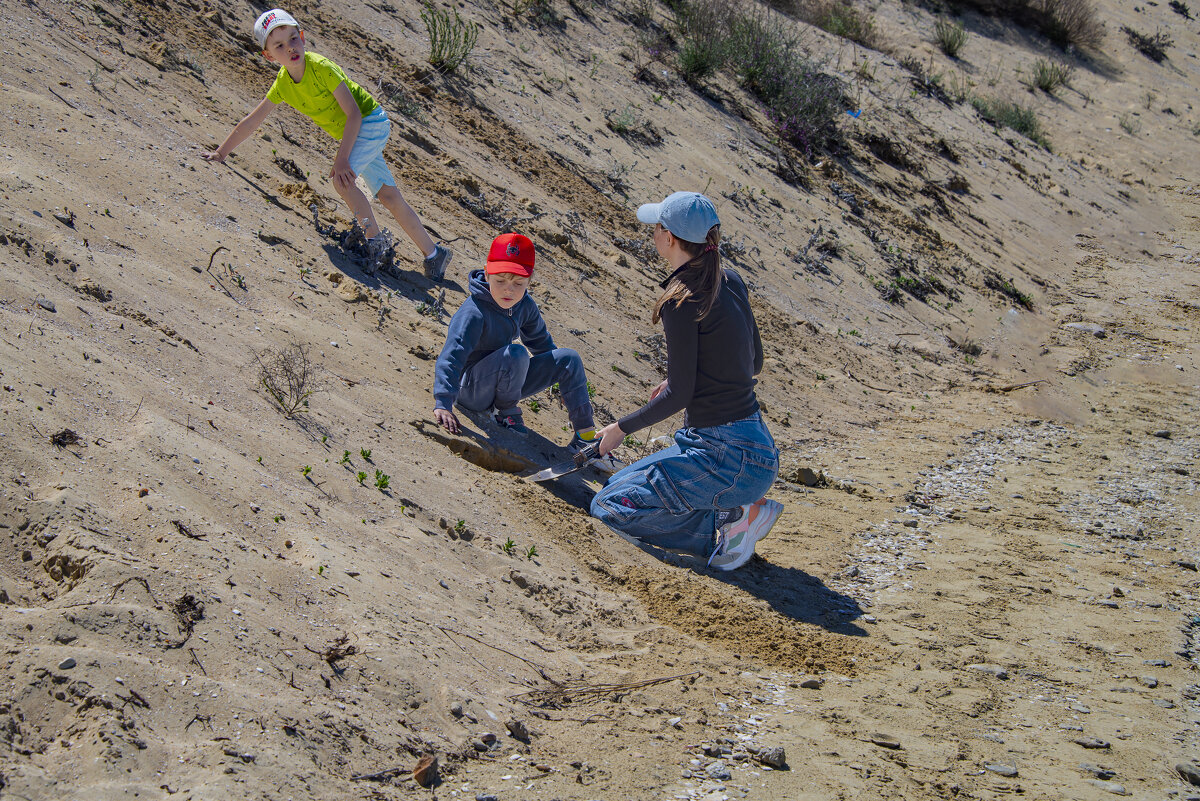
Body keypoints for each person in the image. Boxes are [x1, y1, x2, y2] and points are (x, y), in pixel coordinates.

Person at [590, 192, 781, 571]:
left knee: (607, 507)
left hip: (724, 457)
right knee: (615, 491)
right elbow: (754, 362)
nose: (654, 234)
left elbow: (680, 396)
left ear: (670, 238)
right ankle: (736, 512)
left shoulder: (681, 299)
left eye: (657, 227)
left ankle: (727, 524)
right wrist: (690, 373)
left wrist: (620, 429)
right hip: (752, 447)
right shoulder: (731, 280)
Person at [202, 9, 451, 280]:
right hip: (355, 132)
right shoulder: (283, 85)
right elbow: (253, 121)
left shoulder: (321, 68)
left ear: (303, 38)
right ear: (269, 56)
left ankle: (376, 245)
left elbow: (354, 114)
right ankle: (434, 254)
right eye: (280, 46)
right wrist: (220, 152)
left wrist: (342, 159)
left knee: (342, 181)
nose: (290, 48)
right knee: (388, 196)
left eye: (293, 39)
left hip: (369, 122)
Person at [432, 233, 618, 466]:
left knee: (568, 358)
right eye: (500, 281)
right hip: (469, 390)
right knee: (516, 353)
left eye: (518, 283)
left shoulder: (524, 305)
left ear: (529, 280)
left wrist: (559, 378)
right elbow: (452, 357)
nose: (508, 290)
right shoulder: (474, 312)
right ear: (487, 273)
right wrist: (443, 403)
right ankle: (507, 413)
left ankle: (586, 438)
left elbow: (543, 346)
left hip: (504, 381)